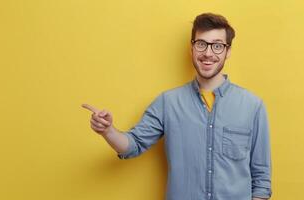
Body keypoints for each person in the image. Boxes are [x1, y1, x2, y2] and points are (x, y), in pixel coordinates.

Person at [82, 13, 272, 200]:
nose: (207, 53)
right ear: (192, 48)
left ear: (228, 51)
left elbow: (261, 179)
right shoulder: (168, 102)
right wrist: (107, 131)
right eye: (201, 44)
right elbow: (132, 145)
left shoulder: (252, 106)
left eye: (217, 46)